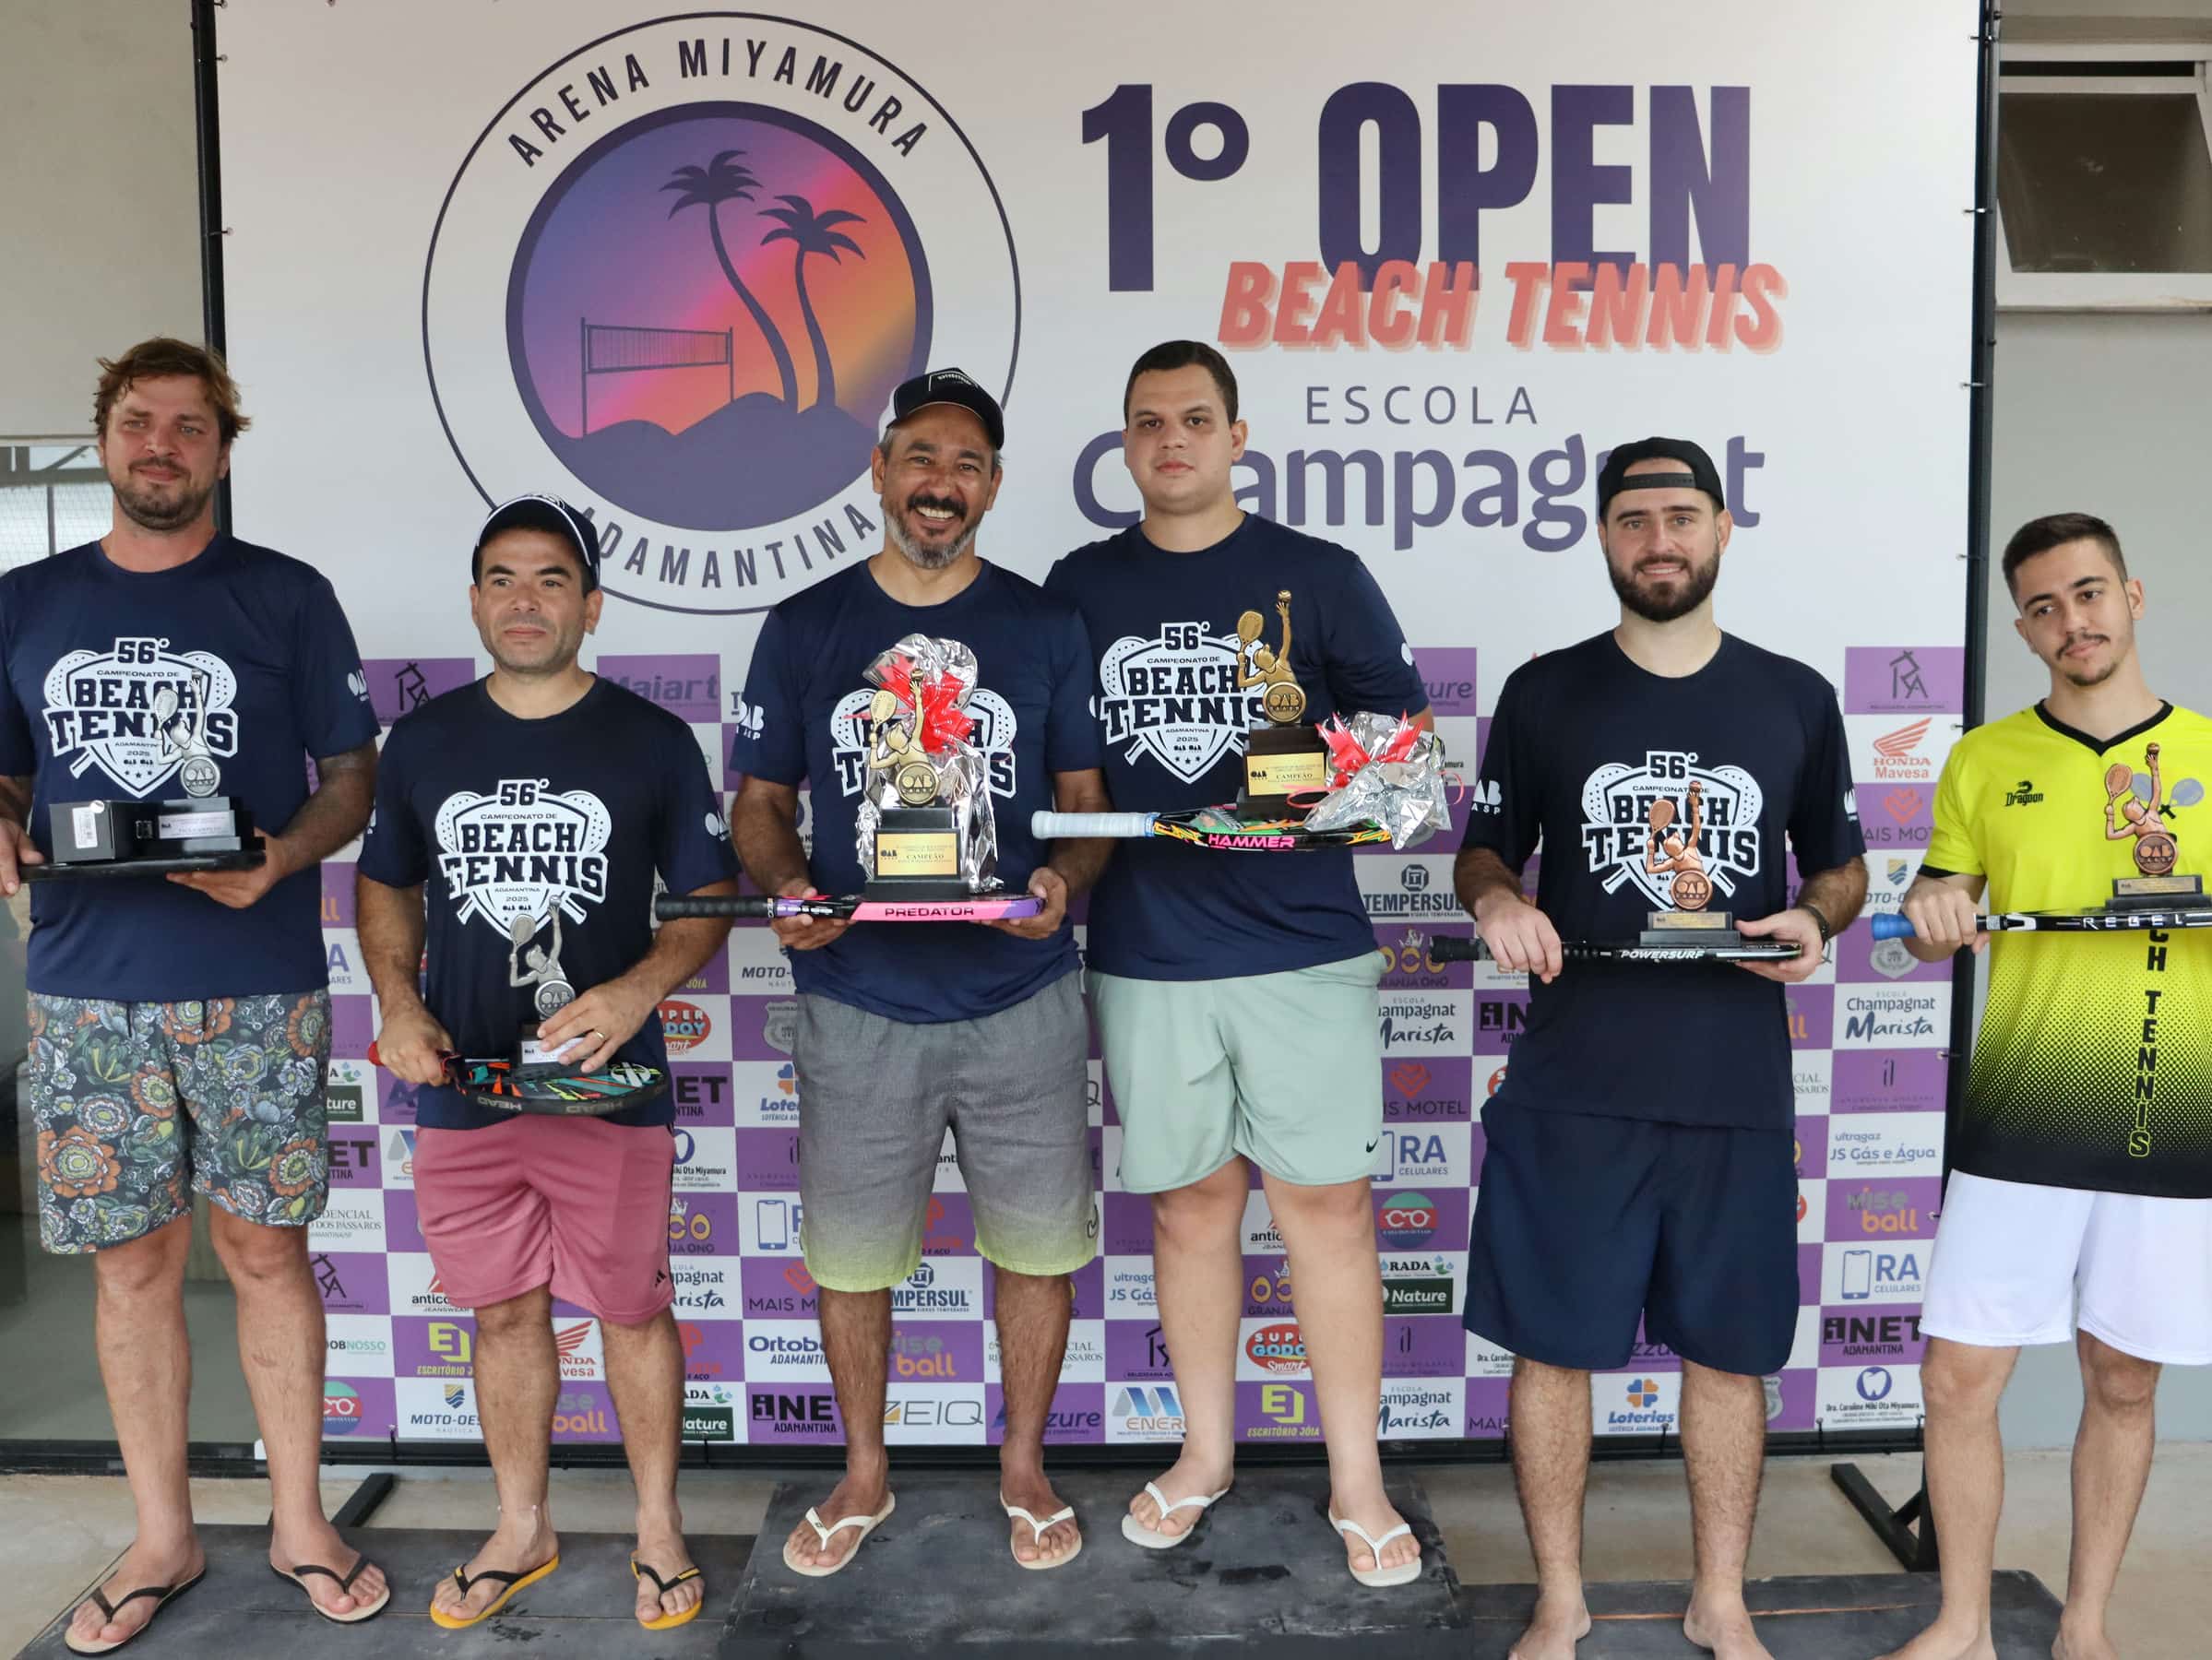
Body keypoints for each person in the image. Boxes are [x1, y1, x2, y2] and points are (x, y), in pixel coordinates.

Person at [0, 337, 389, 1650]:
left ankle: (300, 1523)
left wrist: (279, 857)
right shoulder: (23, 601)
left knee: (267, 1253)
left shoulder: (285, 596)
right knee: (131, 1270)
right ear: (104, 436)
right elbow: (6, 774)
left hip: (254, 982)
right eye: (136, 421)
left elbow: (352, 774)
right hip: (86, 991)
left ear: (223, 448)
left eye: (187, 426)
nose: (159, 446)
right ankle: (161, 1536)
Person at [1453, 440, 1866, 1660]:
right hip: (1573, 1080)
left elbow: (1841, 866)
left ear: (1722, 528)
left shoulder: (1793, 696)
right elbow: (1484, 850)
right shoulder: (1543, 693)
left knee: (1729, 1359)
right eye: (1633, 520)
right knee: (1551, 1352)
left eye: (1680, 516)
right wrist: (1494, 900)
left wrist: (1817, 917)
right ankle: (1561, 1597)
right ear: (1602, 536)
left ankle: (1719, 1597)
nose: (1658, 540)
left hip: (1731, 1082)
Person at [1043, 340, 1433, 1586]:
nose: (1173, 440)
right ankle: (1204, 1454)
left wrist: (1325, 796)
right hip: (1148, 951)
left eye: (1196, 419)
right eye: (1149, 421)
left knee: (1326, 1210)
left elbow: (1404, 751)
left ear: (1237, 437)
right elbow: (1058, 764)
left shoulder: (1318, 575)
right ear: (1123, 442)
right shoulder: (1078, 584)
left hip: (1302, 945)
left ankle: (1357, 1480)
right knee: (1191, 1207)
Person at [730, 369, 1112, 1574]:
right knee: (851, 1260)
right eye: (920, 458)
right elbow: (760, 802)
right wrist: (788, 886)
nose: (939, 484)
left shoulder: (1044, 625)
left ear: (991, 487)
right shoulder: (805, 625)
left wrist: (1063, 883)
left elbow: (1083, 803)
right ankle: (863, 1475)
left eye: (965, 465)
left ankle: (1023, 1466)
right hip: (857, 1001)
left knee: (1037, 1252)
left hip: (1020, 999)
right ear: (881, 471)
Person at [356, 495, 738, 1630]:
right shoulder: (423, 742)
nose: (525, 600)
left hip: (607, 1093)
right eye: (503, 579)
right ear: (476, 602)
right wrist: (398, 1000)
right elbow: (386, 885)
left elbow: (709, 897)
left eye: (552, 579)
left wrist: (636, 990)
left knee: (630, 1311)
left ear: (593, 605)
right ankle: (521, 1527)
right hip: (466, 1092)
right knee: (502, 1317)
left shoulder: (650, 739)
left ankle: (658, 1529)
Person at [1883, 514, 2211, 1660]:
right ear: (2022, 629)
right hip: (2024, 1104)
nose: (2071, 621)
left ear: (2131, 594)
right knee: (1956, 1380)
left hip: (2170, 1108)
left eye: (2087, 593)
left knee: (2121, 1380)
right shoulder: (1983, 759)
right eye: (2042, 606)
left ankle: (2084, 1627)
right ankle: (1963, 1625)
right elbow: (1937, 905)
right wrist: (1929, 912)